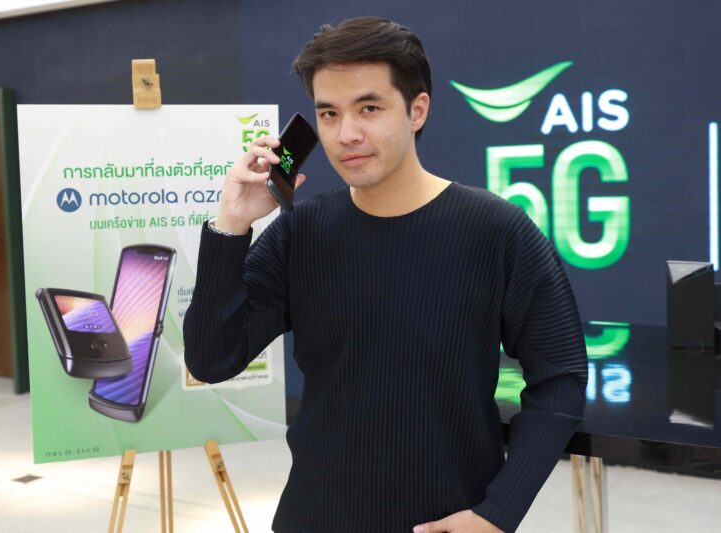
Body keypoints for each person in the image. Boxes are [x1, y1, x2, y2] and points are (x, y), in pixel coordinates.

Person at [183, 16, 588, 533]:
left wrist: (499, 513)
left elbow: (561, 378)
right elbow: (212, 359)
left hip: (446, 521)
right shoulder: (300, 232)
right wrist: (231, 226)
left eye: (369, 108)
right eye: (329, 114)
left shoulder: (496, 230)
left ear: (417, 110)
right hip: (314, 518)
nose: (346, 134)